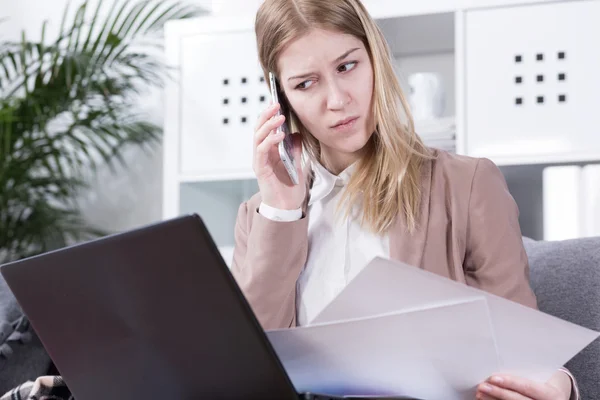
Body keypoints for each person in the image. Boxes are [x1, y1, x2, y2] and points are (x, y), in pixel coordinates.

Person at [231, 0, 579, 399]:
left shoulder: (466, 184)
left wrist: (559, 388)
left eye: (347, 67)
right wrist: (283, 209)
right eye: (305, 83)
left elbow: (526, 350)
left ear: (375, 58)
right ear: (281, 99)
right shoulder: (261, 216)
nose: (338, 100)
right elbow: (250, 371)